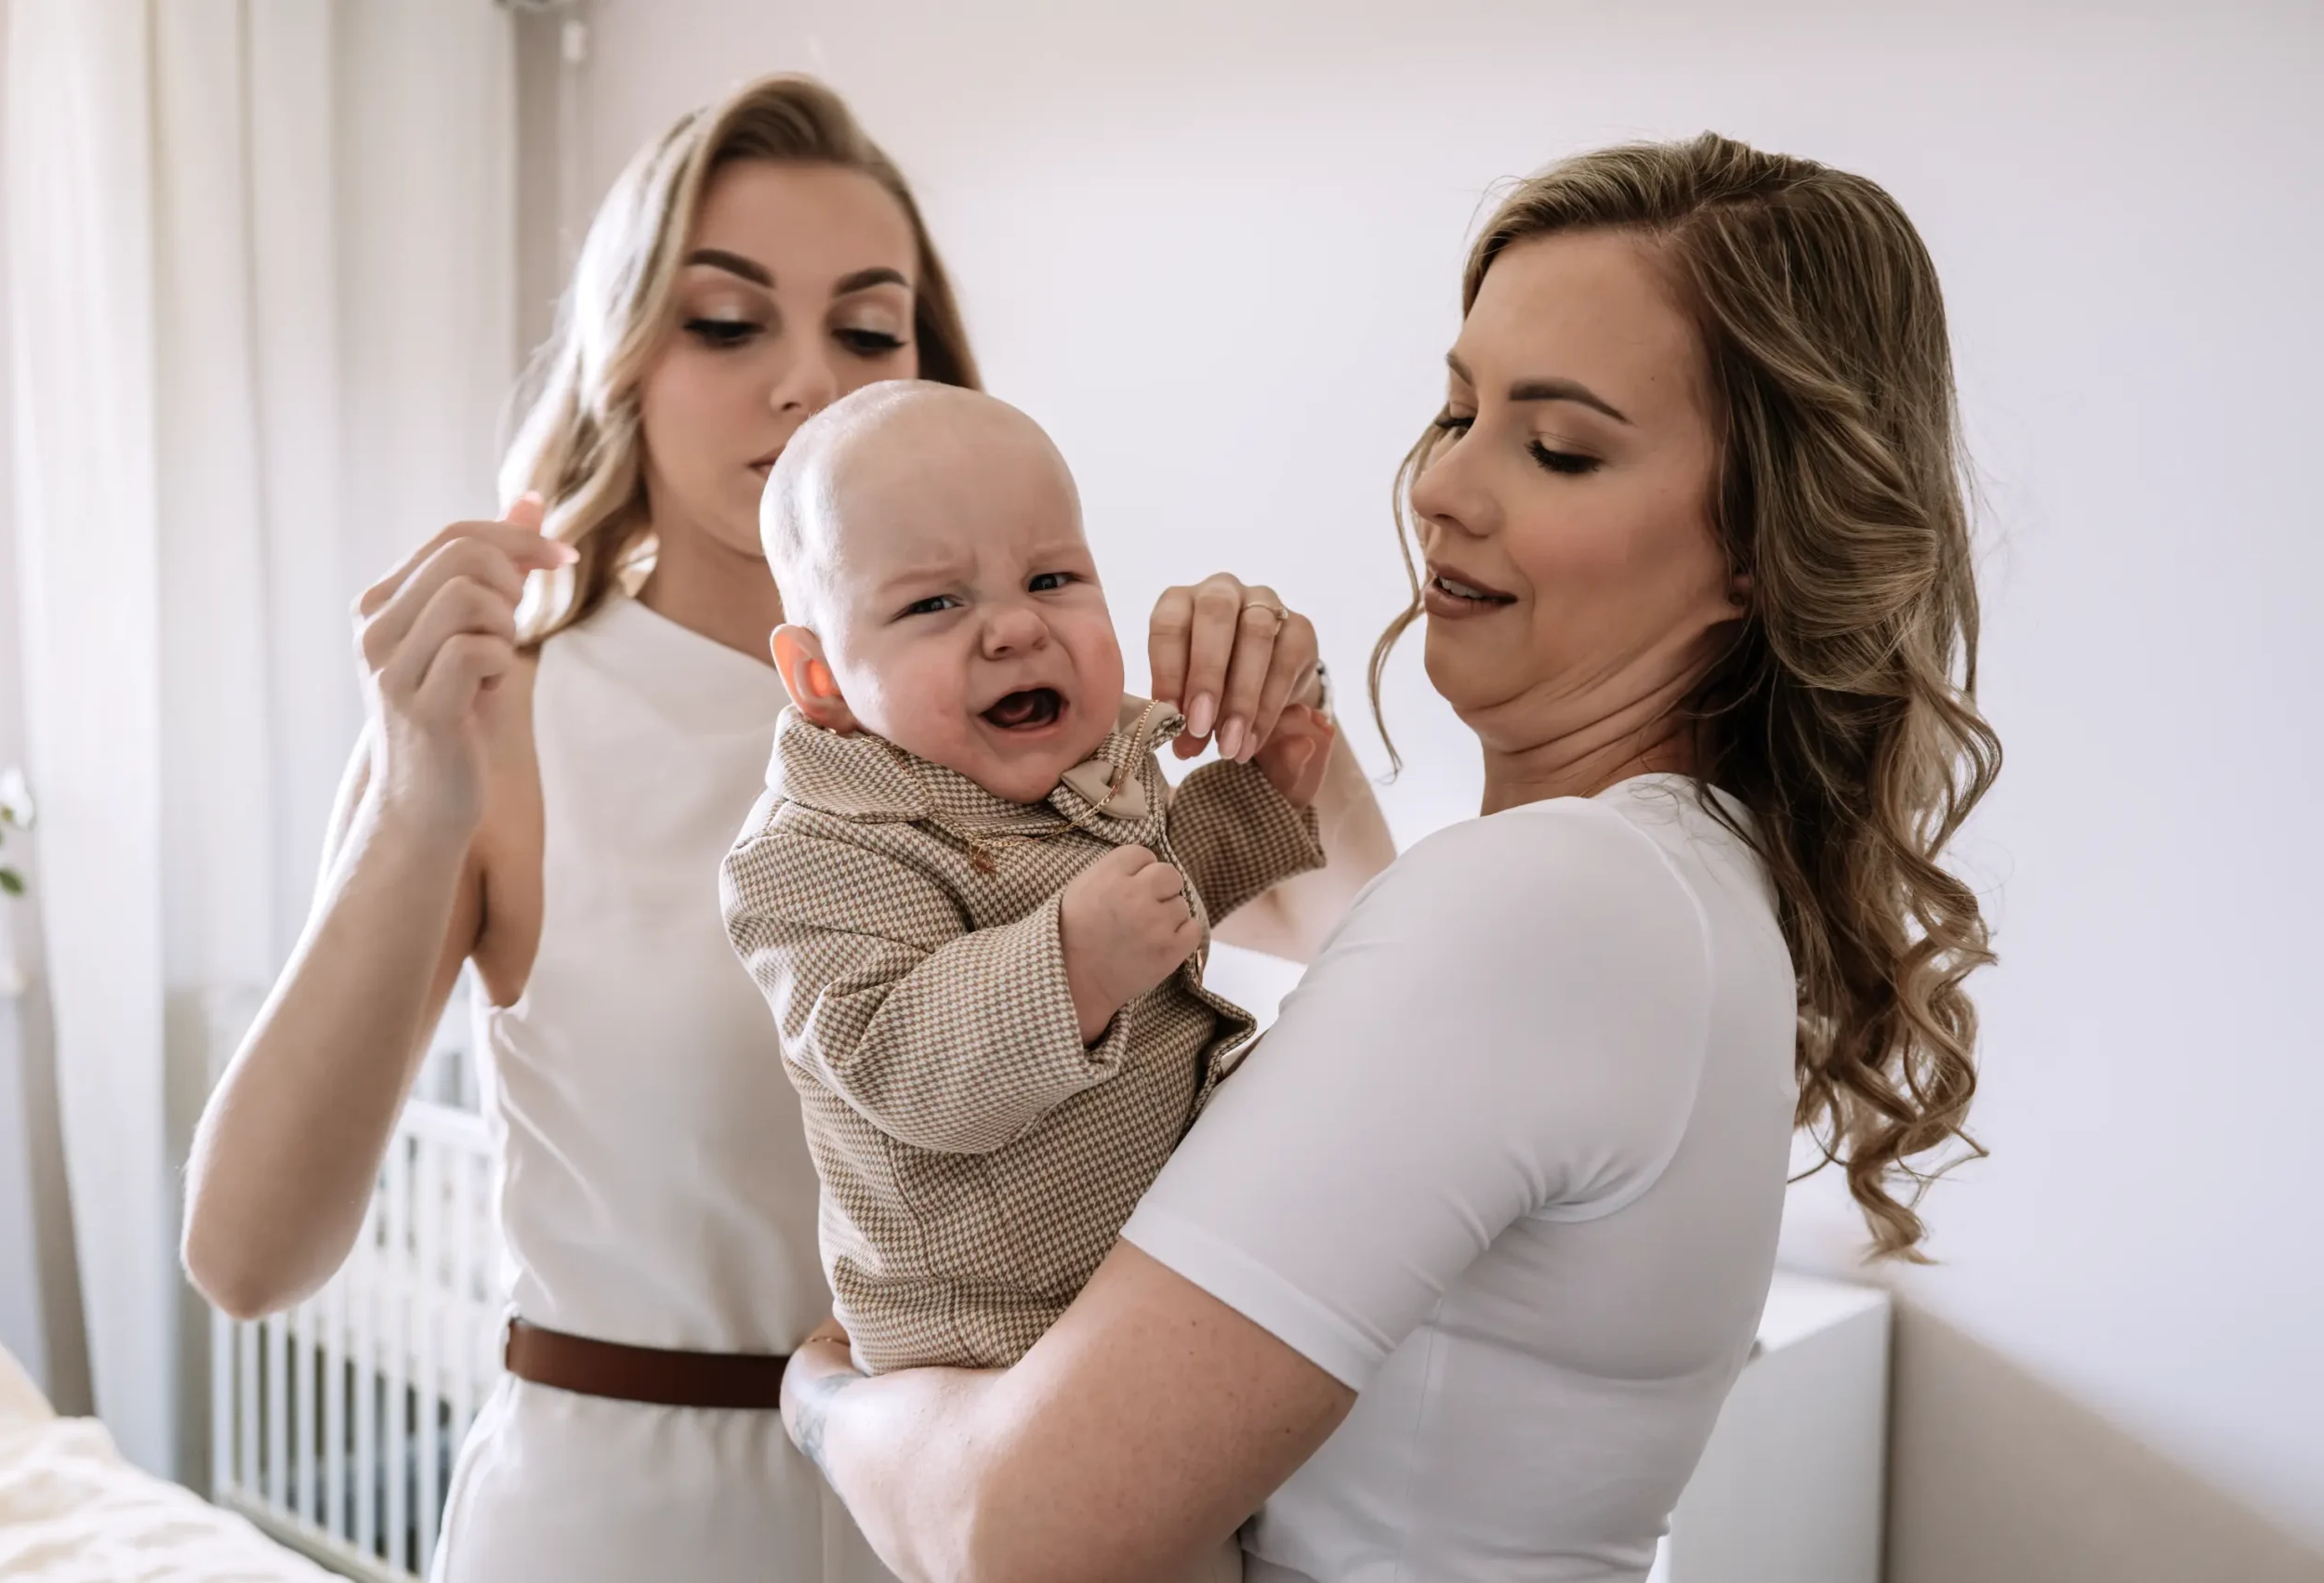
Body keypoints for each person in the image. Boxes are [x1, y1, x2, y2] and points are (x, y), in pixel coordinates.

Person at [178, 76, 1394, 1582]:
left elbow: (1385, 964)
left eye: (868, 331)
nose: (807, 379)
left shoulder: (1049, 716)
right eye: (726, 322)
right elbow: (248, 1256)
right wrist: (417, 798)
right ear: (624, 358)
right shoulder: (499, 722)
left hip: (981, 1511)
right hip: (626, 1528)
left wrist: (1290, 728)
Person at [780, 132, 2002, 1583]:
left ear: (1758, 541)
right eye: (1457, 410)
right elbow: (1386, 994)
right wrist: (1275, 755)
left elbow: (1014, 1533)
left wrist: (823, 1391)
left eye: (1557, 447)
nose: (1443, 486)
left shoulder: (1554, 904)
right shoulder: (1674, 883)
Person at [724, 382, 1330, 1381]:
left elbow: (1162, 891)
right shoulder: (812, 851)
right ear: (820, 677)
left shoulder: (1084, 762)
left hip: (1143, 1263)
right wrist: (1072, 962)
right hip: (982, 1332)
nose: (1014, 628)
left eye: (1052, 579)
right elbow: (895, 1061)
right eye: (934, 603)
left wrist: (1261, 790)